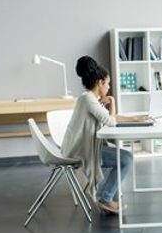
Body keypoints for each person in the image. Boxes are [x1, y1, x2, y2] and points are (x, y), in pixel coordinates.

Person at [61, 56, 150, 215]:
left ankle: (108, 197)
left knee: (122, 156)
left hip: (83, 147)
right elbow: (110, 121)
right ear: (100, 83)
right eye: (107, 83)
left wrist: (135, 118)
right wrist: (114, 104)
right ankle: (105, 198)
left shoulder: (90, 99)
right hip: (80, 152)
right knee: (126, 159)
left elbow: (110, 118)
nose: (109, 87)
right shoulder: (88, 99)